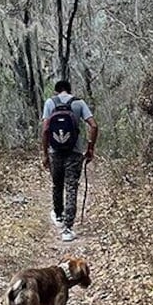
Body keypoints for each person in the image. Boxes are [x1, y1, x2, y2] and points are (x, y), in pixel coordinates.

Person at [41, 80, 99, 242]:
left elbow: (45, 130)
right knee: (71, 187)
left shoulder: (50, 102)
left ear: (56, 91)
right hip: (75, 152)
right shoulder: (79, 103)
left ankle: (58, 215)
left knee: (57, 184)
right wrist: (90, 148)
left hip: (55, 151)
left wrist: (45, 154)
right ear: (69, 90)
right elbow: (94, 126)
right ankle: (68, 228)